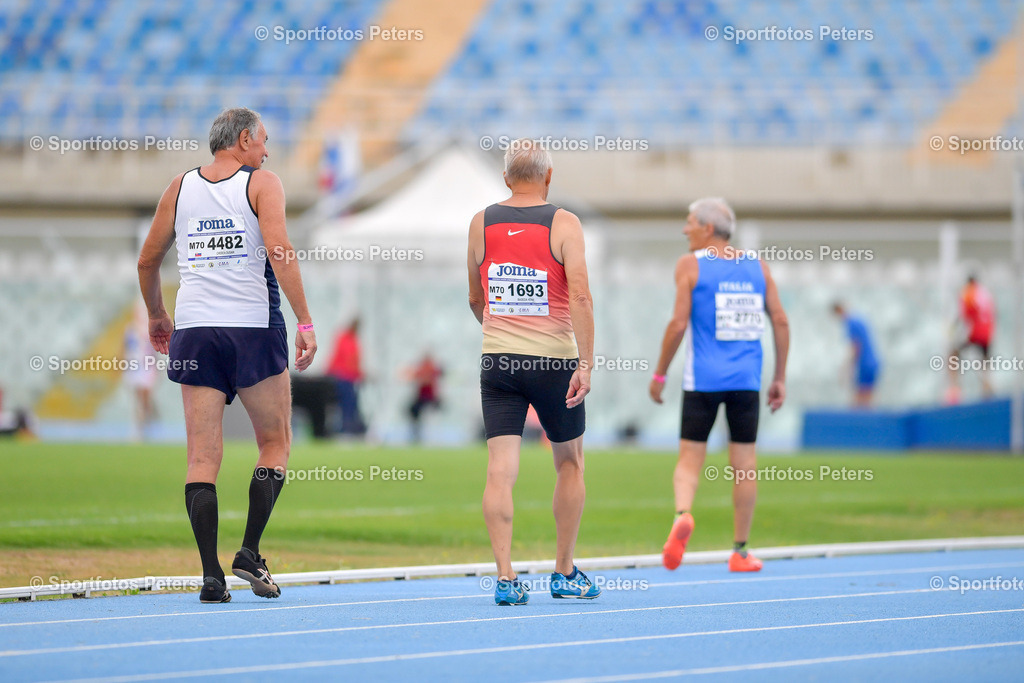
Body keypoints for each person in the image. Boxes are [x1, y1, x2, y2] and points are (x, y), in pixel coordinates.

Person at [137, 107, 317, 603]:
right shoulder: (261, 183)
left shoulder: (179, 187)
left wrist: (156, 314)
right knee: (275, 442)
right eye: (263, 142)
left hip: (194, 329)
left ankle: (210, 576)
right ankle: (249, 551)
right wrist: (304, 321)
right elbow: (279, 251)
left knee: (201, 457)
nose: (267, 151)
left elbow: (148, 258)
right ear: (242, 140)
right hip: (252, 327)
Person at [467, 139, 599, 605]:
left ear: (505, 178)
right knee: (569, 462)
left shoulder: (481, 222)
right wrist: (585, 362)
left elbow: (475, 298)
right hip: (554, 363)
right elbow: (580, 296)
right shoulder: (565, 223)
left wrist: (503, 332)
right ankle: (563, 571)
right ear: (548, 176)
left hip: (498, 361)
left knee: (499, 471)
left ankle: (505, 578)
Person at [649, 197, 789, 573]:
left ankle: (682, 514)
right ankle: (741, 551)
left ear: (708, 229)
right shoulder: (758, 266)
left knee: (690, 459)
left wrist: (660, 374)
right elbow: (780, 320)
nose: (684, 229)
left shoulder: (690, 265)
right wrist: (779, 377)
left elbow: (678, 325)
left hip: (703, 381)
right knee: (744, 464)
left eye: (690, 222)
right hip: (746, 381)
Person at [948, 275, 995, 402]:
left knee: (953, 354)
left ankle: (954, 389)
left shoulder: (968, 293)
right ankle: (987, 389)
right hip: (988, 334)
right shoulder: (986, 294)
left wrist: (952, 328)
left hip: (975, 333)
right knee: (984, 362)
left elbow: (962, 315)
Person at [831, 302, 881, 407]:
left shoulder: (851, 323)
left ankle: (860, 421)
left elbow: (855, 347)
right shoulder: (858, 319)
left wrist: (845, 369)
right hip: (873, 362)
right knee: (867, 398)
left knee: (859, 400)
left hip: (865, 364)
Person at [123, 301, 159, 440]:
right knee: (137, 399)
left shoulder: (148, 329)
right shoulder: (130, 330)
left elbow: (154, 352)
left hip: (147, 367)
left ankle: (147, 425)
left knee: (145, 397)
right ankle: (139, 428)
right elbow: (126, 349)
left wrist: (157, 368)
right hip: (134, 367)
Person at [326, 318, 367, 436]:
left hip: (350, 378)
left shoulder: (351, 339)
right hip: (343, 377)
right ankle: (345, 429)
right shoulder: (346, 339)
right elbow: (347, 360)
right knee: (347, 405)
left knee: (350, 405)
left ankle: (349, 428)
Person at [405, 352, 443, 443]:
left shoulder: (432, 368)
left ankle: (421, 435)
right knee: (412, 410)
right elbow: (413, 377)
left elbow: (430, 380)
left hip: (431, 398)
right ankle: (415, 434)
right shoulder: (422, 368)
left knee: (428, 410)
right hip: (421, 398)